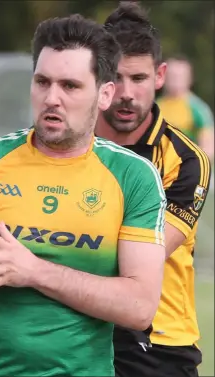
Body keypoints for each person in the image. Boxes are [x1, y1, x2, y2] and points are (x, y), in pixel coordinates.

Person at [0, 14, 167, 376]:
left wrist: (34, 271)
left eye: (70, 86)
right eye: (42, 82)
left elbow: (139, 307)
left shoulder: (133, 177)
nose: (51, 98)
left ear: (104, 94)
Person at [96, 3, 211, 377]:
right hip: (78, 331)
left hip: (159, 343)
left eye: (140, 78)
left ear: (159, 76)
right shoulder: (65, 145)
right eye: (116, 78)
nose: (127, 93)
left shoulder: (186, 160)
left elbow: (145, 255)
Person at [157, 55, 214, 160]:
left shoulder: (198, 109)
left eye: (180, 77)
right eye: (172, 76)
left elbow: (208, 148)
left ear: (189, 78)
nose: (176, 81)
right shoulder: (156, 106)